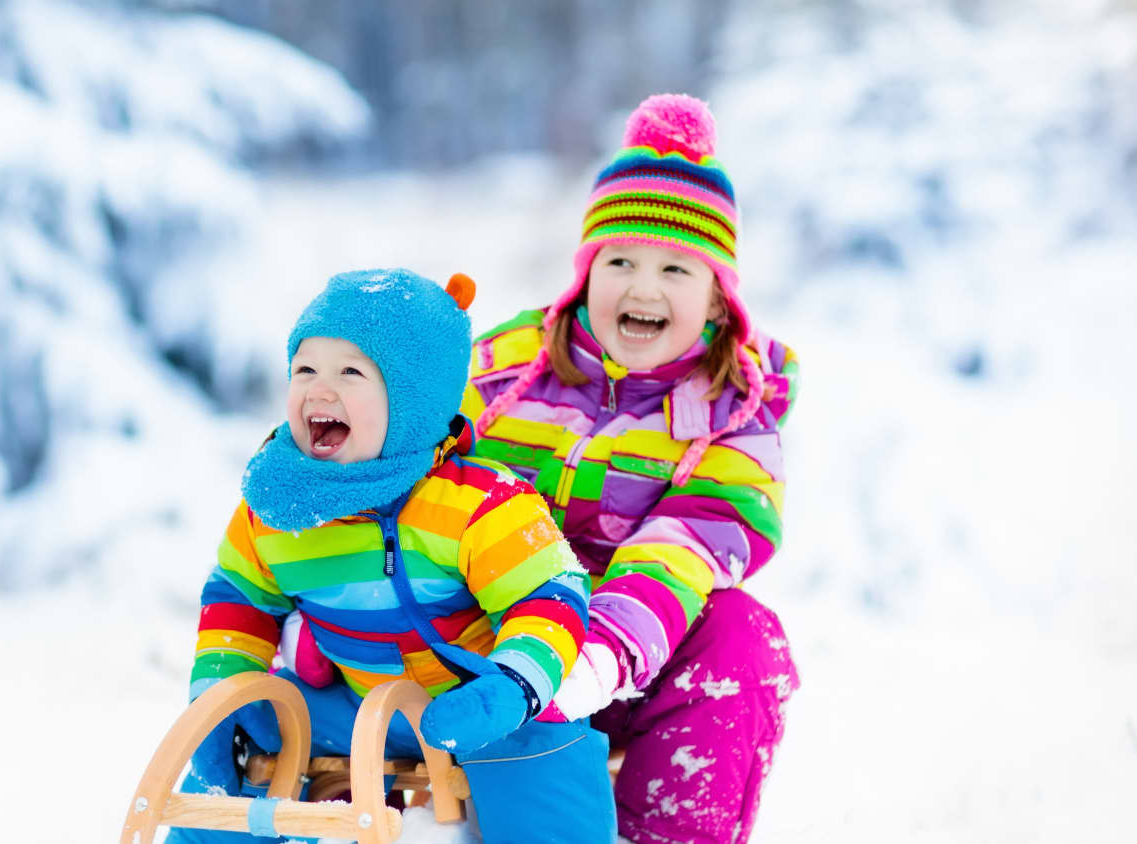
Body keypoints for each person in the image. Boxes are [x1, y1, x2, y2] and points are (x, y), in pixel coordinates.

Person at [171, 268, 616, 843]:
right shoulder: (278, 508)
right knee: (249, 742)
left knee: (543, 758)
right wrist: (220, 691)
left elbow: (549, 595)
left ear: (413, 399)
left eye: (350, 372)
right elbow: (238, 596)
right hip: (355, 704)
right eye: (304, 369)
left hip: (481, 704)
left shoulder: (479, 502)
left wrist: (512, 686)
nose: (319, 390)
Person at [461, 94, 802, 843]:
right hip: (474, 645)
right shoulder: (502, 370)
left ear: (717, 298)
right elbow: (422, 463)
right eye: (620, 261)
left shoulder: (736, 410)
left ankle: (661, 833)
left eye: (677, 268)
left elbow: (688, 543)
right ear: (586, 276)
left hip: (620, 660)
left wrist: (593, 660)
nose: (643, 289)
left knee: (744, 637)